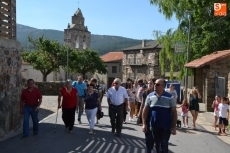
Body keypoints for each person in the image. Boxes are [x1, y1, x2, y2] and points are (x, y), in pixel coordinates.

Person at [142, 78, 177, 153]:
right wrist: (144, 124)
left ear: (163, 86)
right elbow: (145, 110)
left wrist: (174, 126)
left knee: (164, 145)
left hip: (166, 126)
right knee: (157, 145)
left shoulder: (169, 97)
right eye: (154, 84)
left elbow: (174, 112)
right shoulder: (150, 96)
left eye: (157, 84)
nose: (155, 85)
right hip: (154, 126)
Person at [139, 78, 155, 153]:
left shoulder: (157, 93)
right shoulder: (145, 93)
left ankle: (151, 145)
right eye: (148, 83)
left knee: (153, 135)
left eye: (151, 83)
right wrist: (140, 115)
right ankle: (148, 149)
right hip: (146, 114)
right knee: (147, 134)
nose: (149, 85)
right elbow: (142, 104)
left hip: (154, 115)